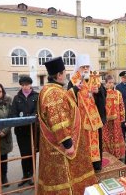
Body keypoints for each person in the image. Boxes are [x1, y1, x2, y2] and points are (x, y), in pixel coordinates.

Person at [38, 57, 97, 194]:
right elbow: (58, 121)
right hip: (61, 148)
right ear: (59, 75)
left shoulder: (49, 89)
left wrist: (75, 89)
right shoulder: (54, 94)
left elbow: (65, 101)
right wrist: (68, 144)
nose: (65, 75)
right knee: (65, 178)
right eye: (64, 72)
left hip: (54, 147)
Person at [67, 54, 103, 171]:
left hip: (94, 118)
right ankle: (84, 165)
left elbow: (103, 95)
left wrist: (98, 92)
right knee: (83, 142)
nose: (86, 69)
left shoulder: (94, 78)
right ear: (79, 67)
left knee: (95, 141)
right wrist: (76, 88)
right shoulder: (73, 80)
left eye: (87, 66)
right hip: (81, 119)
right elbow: (68, 98)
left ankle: (96, 165)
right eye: (83, 67)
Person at [9, 75, 38, 186]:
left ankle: (32, 175)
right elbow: (13, 113)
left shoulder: (36, 96)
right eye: (23, 85)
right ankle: (25, 175)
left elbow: (37, 111)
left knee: (32, 153)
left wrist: (28, 118)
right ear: (21, 85)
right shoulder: (17, 98)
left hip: (32, 130)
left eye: (27, 84)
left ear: (30, 85)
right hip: (21, 131)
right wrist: (20, 120)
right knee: (24, 154)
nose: (25, 87)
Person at [102, 75, 126, 159]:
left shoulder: (118, 93)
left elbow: (121, 106)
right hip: (105, 120)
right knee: (106, 137)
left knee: (116, 136)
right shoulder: (102, 93)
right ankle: (107, 155)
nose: (111, 84)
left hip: (116, 120)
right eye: (109, 83)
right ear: (106, 83)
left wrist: (122, 118)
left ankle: (118, 154)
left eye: (112, 82)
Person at [116, 71, 126, 140]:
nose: (125, 79)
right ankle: (123, 141)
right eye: (123, 77)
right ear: (121, 78)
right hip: (122, 109)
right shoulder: (118, 87)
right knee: (123, 126)